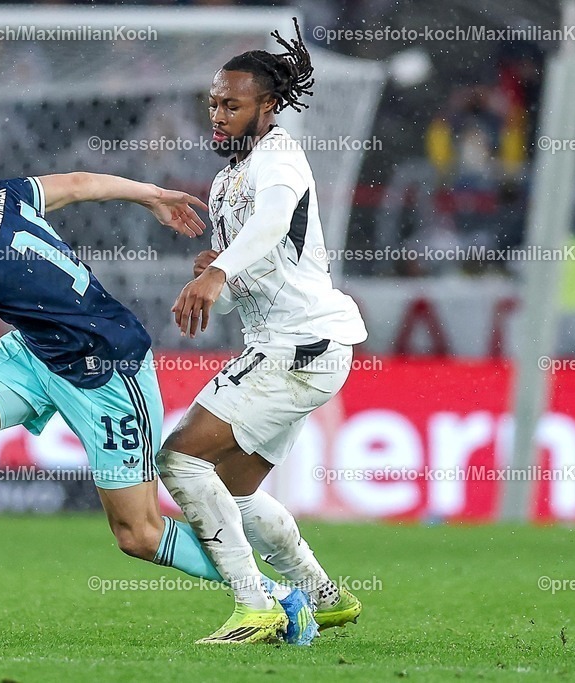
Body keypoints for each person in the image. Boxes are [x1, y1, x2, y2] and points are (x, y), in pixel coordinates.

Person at [0, 144, 313, 644]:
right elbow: (74, 185)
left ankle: (278, 597)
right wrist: (150, 195)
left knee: (138, 535)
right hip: (38, 353)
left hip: (108, 370)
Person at [157, 23, 367, 643]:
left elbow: (275, 220)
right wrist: (217, 272)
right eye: (215, 103)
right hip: (299, 348)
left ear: (268, 107)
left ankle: (257, 604)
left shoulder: (281, 157)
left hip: (297, 348)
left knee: (178, 460)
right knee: (232, 490)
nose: (218, 115)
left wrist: (218, 269)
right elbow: (256, 274)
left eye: (233, 104)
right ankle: (322, 595)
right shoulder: (226, 182)